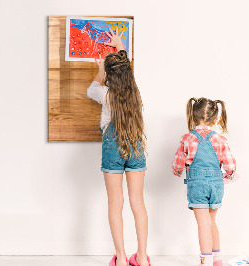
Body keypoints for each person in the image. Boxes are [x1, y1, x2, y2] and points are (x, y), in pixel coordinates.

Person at [87, 28, 151, 266]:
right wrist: (120, 46)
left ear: (110, 77)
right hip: (135, 146)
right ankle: (142, 258)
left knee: (116, 203)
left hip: (112, 149)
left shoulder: (105, 95)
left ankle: (122, 259)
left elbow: (90, 89)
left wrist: (101, 70)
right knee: (138, 202)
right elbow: (126, 71)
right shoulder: (135, 93)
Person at [172, 98, 237, 266]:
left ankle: (206, 261)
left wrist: (177, 171)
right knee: (211, 222)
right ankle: (217, 260)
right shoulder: (220, 139)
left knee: (203, 224)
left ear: (193, 117)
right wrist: (229, 176)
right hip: (216, 185)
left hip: (197, 186)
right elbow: (230, 165)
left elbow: (177, 164)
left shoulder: (187, 138)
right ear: (215, 120)